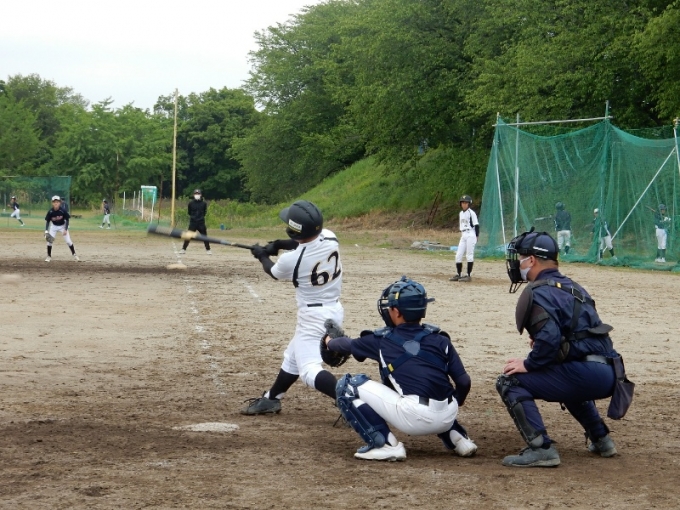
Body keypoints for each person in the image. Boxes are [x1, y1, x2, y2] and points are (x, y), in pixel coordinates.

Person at [498, 229, 628, 467]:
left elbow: (549, 339)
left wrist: (529, 364)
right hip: (611, 373)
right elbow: (577, 335)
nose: (518, 263)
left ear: (532, 260)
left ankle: (541, 449)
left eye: (521, 258)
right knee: (566, 376)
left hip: (586, 375)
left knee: (509, 381)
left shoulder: (539, 291)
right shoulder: (574, 287)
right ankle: (601, 439)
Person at [324, 276, 477, 461]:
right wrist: (454, 404)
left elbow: (345, 345)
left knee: (348, 385)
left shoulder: (381, 340)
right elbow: (464, 381)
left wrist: (328, 341)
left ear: (396, 312)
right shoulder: (440, 339)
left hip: (414, 418)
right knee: (430, 385)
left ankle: (386, 445)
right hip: (448, 416)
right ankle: (459, 438)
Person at [241, 200, 344, 415]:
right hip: (333, 309)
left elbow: (273, 271)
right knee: (293, 356)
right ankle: (272, 398)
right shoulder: (330, 237)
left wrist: (262, 255)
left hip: (312, 316)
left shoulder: (292, 260)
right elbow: (303, 242)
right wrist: (278, 244)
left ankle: (349, 400)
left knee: (309, 370)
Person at [449, 195, 479, 282]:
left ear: (469, 204)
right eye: (462, 203)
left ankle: (468, 275)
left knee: (469, 255)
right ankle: (459, 274)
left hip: (471, 233)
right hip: (463, 234)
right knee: (458, 255)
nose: (464, 204)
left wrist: (476, 236)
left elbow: (476, 225)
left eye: (466, 203)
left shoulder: (471, 213)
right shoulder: (461, 213)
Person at [45, 195, 80, 262]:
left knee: (68, 241)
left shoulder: (63, 211)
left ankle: (74, 254)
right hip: (53, 226)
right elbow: (48, 221)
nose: (56, 203)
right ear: (52, 203)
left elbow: (67, 220)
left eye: (57, 202)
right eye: (54, 202)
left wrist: (65, 229)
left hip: (62, 226)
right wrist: (46, 230)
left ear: (59, 203)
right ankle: (49, 256)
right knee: (49, 241)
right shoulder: (50, 211)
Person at [179, 189, 211, 255]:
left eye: (198, 194)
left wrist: (200, 218)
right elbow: (189, 212)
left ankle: (208, 249)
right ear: (193, 195)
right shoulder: (191, 203)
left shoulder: (204, 204)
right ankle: (183, 249)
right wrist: (194, 217)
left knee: (204, 236)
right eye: (196, 194)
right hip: (193, 222)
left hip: (201, 222)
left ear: (201, 195)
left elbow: (204, 212)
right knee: (188, 236)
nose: (197, 195)